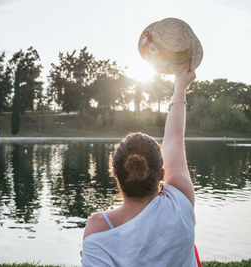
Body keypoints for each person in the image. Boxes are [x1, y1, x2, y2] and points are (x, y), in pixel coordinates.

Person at [82, 59, 199, 267]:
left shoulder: (98, 229)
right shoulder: (180, 201)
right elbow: (174, 140)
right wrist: (180, 86)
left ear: (115, 174)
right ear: (162, 174)